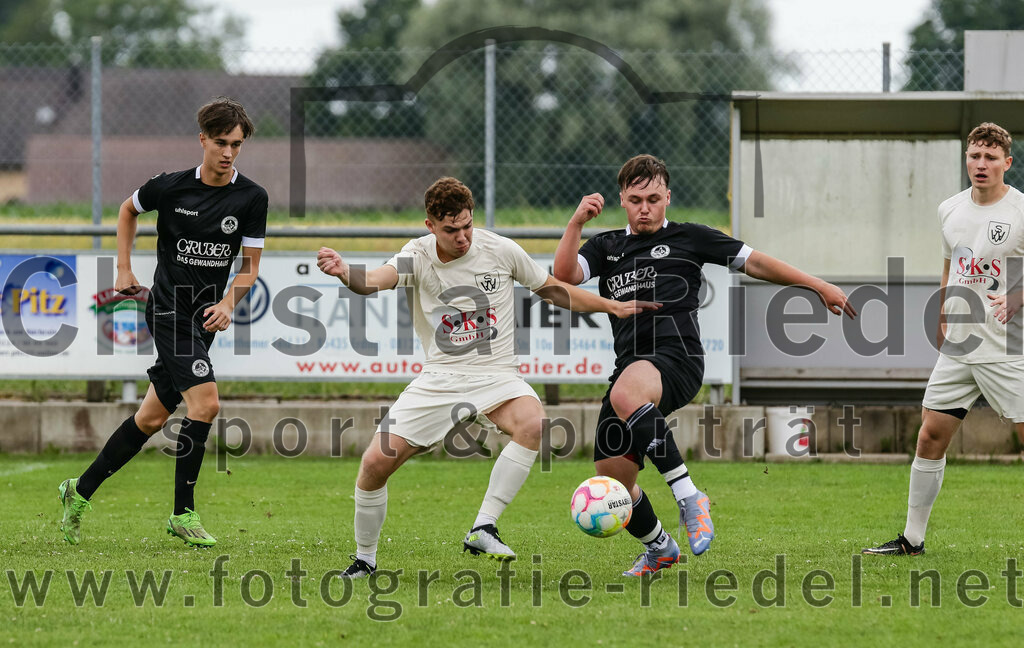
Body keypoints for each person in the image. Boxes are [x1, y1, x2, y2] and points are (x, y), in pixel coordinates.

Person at [317, 176, 657, 578]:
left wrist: (608, 306)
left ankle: (484, 526)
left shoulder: (500, 249)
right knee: (374, 464)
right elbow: (373, 281)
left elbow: (552, 288)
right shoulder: (417, 255)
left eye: (467, 225)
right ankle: (365, 561)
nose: (462, 237)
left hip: (496, 375)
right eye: (450, 230)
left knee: (533, 421)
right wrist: (344, 272)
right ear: (430, 226)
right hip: (440, 377)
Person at [554, 154, 855, 576]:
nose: (645, 208)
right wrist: (576, 223)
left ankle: (690, 497)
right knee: (613, 480)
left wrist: (817, 284)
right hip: (631, 366)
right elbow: (565, 276)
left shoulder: (690, 237)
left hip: (678, 358)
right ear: (622, 198)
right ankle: (659, 548)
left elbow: (756, 261)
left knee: (626, 393)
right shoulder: (606, 247)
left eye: (654, 198)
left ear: (668, 198)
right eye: (637, 199)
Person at [57, 97, 268, 548]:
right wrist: (123, 268)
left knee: (151, 417)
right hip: (169, 308)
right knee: (206, 404)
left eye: (236, 144)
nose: (228, 152)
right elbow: (127, 209)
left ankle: (78, 491)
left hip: (206, 318)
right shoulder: (169, 187)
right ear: (203, 140)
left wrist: (230, 302)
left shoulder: (252, 197)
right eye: (220, 142)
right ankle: (182, 514)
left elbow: (250, 264)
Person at [863, 122, 1024, 556]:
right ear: (966, 159)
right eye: (975, 155)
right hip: (960, 347)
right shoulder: (949, 209)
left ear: (1007, 163)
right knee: (931, 434)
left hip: (1009, 348)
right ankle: (912, 540)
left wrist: (1016, 296)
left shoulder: (1021, 211)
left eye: (991, 157)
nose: (981, 164)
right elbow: (950, 265)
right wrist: (939, 315)